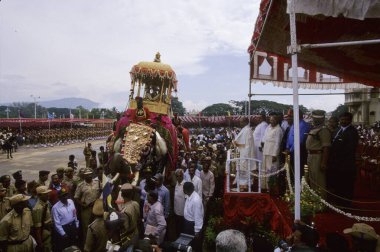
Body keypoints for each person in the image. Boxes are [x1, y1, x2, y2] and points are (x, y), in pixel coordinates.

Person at [327, 112, 359, 207]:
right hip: (336, 164)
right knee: (337, 185)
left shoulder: (352, 132)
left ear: (350, 120)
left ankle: (345, 205)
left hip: (346, 165)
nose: (343, 121)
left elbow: (349, 149)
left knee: (346, 186)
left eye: (346, 119)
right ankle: (338, 203)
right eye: (342, 119)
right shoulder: (337, 130)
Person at [305, 110, 331, 199]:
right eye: (314, 118)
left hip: (317, 156)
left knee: (318, 180)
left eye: (316, 118)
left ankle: (321, 202)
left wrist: (323, 162)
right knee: (312, 179)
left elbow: (326, 147)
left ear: (322, 119)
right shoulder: (314, 128)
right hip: (311, 156)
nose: (314, 120)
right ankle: (314, 199)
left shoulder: (323, 130)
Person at [74, 168, 101, 240]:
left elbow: (101, 191)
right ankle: (87, 243)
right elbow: (76, 197)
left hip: (96, 207)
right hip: (86, 209)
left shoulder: (97, 182)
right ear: (84, 176)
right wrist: (82, 205)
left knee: (96, 225)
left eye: (90, 174)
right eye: (87, 175)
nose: (89, 176)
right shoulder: (81, 185)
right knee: (87, 227)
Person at [285, 109, 310, 184]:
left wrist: (291, 149)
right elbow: (289, 137)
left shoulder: (303, 125)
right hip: (291, 152)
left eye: (292, 116)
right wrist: (287, 147)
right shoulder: (294, 124)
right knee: (291, 173)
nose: (290, 117)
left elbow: (300, 140)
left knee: (298, 173)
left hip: (298, 152)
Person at [261, 115, 283, 192]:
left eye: (273, 120)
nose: (271, 121)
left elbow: (277, 143)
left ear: (276, 121)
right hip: (266, 151)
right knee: (265, 169)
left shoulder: (278, 130)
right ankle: (265, 187)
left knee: (271, 170)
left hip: (272, 154)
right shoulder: (268, 127)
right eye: (270, 120)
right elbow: (264, 138)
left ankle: (271, 188)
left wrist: (275, 155)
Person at [234, 117, 255, 190]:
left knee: (246, 170)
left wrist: (246, 156)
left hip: (246, 154)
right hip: (243, 153)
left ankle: (245, 186)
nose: (240, 123)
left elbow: (248, 144)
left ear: (246, 122)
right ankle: (242, 185)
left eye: (241, 122)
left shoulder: (247, 130)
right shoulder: (245, 129)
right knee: (243, 170)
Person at [183, 182, 204, 252]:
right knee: (189, 243)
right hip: (188, 223)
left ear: (186, 190)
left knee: (195, 244)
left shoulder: (196, 200)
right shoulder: (189, 195)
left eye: (183, 189)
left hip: (192, 225)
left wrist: (197, 231)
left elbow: (198, 216)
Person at [119, 183, 140, 251]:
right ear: (132, 194)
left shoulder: (124, 212)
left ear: (121, 195)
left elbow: (125, 229)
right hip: (136, 234)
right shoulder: (136, 204)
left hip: (128, 239)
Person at [32, 186, 52, 252]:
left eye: (48, 193)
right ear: (39, 195)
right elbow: (37, 228)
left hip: (49, 231)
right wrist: (40, 242)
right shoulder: (38, 208)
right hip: (44, 234)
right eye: (45, 194)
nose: (48, 195)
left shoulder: (46, 203)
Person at [173, 169, 186, 238]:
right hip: (176, 211)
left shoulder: (185, 185)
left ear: (183, 176)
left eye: (180, 176)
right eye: (177, 176)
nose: (178, 177)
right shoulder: (177, 184)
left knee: (182, 229)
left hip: (182, 213)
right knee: (177, 228)